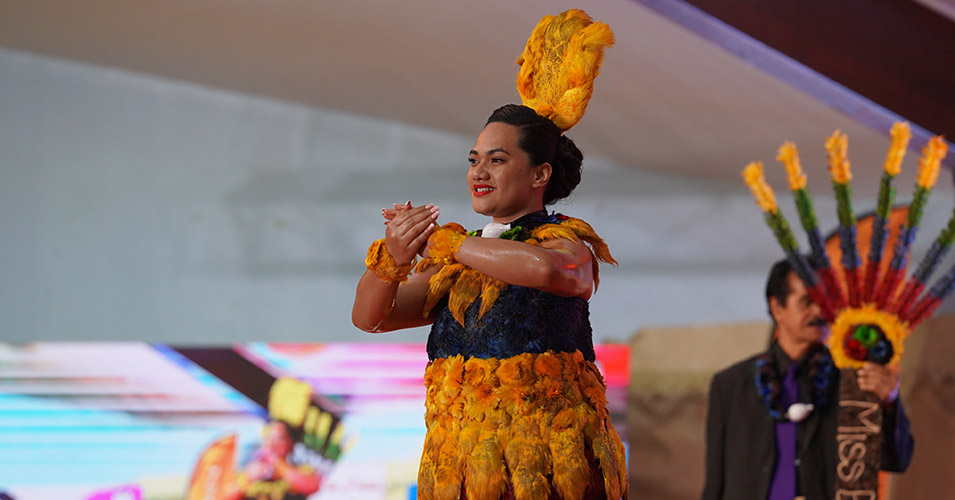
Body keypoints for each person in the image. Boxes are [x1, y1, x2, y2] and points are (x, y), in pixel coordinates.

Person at [352, 103, 628, 500]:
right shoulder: (457, 256)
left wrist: (449, 243)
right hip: (463, 466)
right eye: (473, 160)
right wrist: (394, 257)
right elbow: (372, 318)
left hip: (549, 463)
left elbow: (552, 271)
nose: (478, 173)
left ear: (540, 174)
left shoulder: (563, 239)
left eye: (496, 160)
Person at [702, 258, 914, 500]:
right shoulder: (730, 386)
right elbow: (715, 483)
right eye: (807, 301)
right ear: (777, 308)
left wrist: (889, 403)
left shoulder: (854, 381)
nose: (819, 311)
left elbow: (897, 460)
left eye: (826, 302)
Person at [224, 420, 322, 500]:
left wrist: (282, 468)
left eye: (279, 439)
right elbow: (227, 496)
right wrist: (248, 478)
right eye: (269, 438)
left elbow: (315, 487)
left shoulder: (301, 470)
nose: (272, 444)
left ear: (291, 444)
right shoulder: (248, 471)